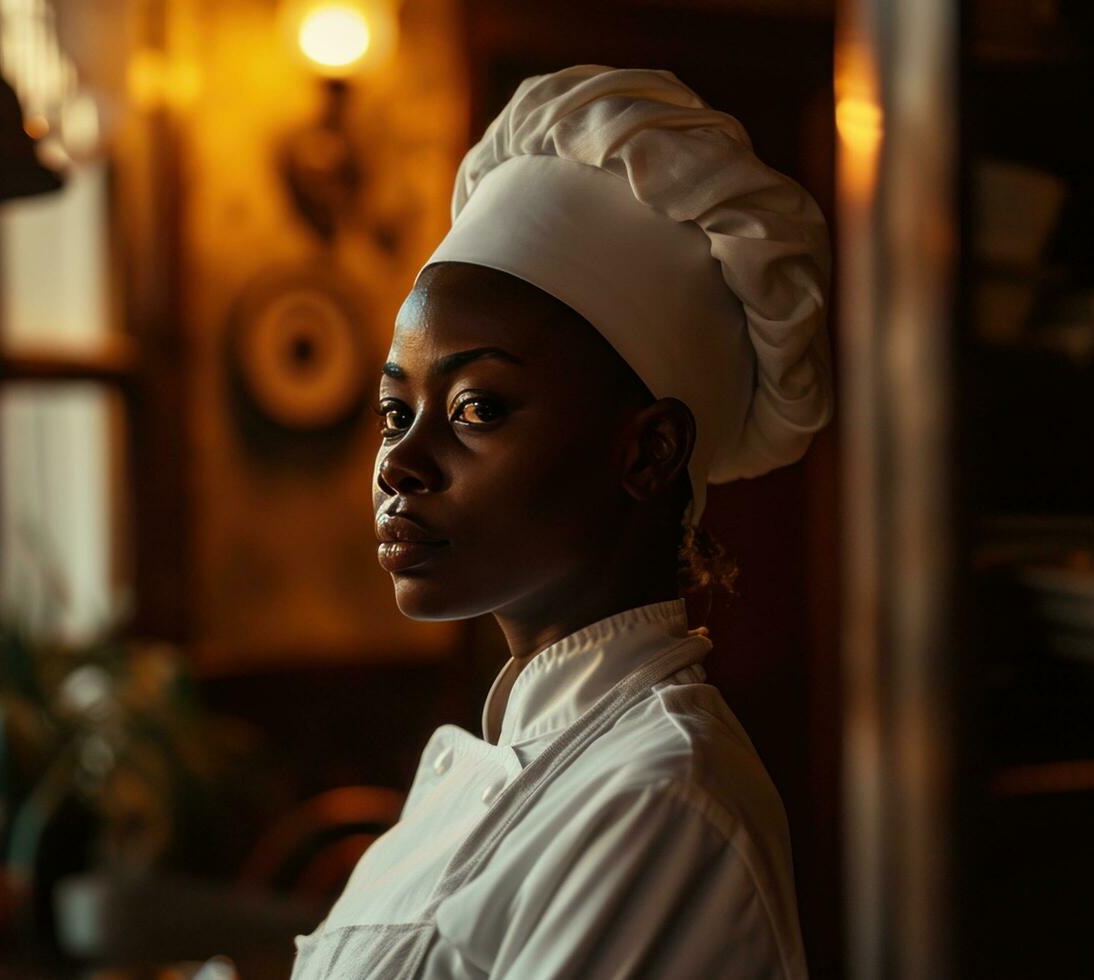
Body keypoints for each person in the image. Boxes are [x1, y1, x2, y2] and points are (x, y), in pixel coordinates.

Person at [290, 65, 832, 979]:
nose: (399, 463)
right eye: (396, 412)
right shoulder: (492, 773)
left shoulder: (662, 801)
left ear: (647, 453)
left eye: (476, 409)